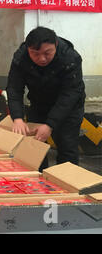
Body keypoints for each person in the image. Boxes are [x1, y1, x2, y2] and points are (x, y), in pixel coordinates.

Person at [6, 26, 85, 171]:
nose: (41, 59)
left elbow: (70, 94)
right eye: (35, 54)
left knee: (67, 146)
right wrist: (17, 118)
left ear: (55, 45)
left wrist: (50, 124)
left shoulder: (70, 57)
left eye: (47, 53)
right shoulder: (21, 57)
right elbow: (14, 89)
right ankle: (38, 184)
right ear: (28, 49)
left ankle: (66, 185)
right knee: (35, 147)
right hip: (39, 104)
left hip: (69, 108)